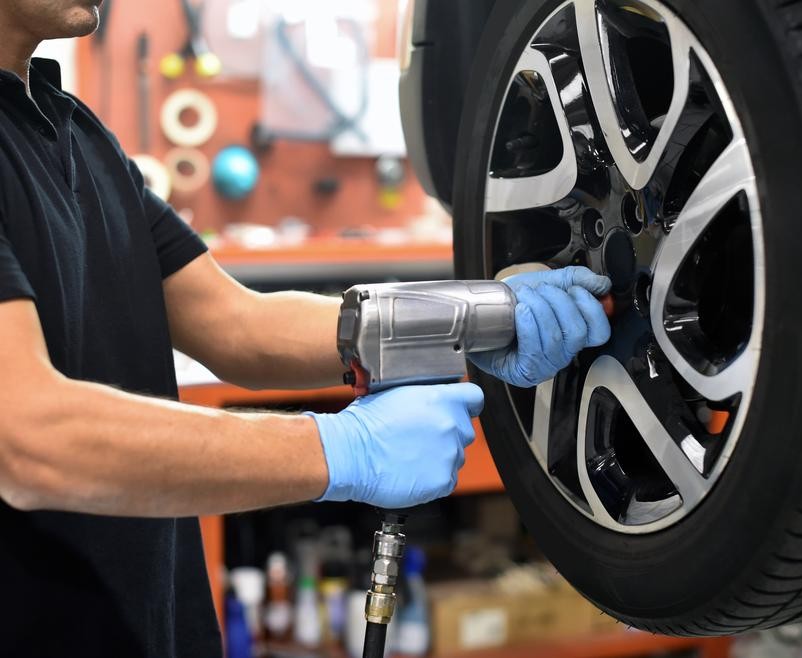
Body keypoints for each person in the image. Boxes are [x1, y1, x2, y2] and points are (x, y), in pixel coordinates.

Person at [0, 1, 612, 656]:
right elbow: (27, 436)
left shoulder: (76, 136)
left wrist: (474, 321)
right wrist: (340, 450)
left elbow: (237, 323)